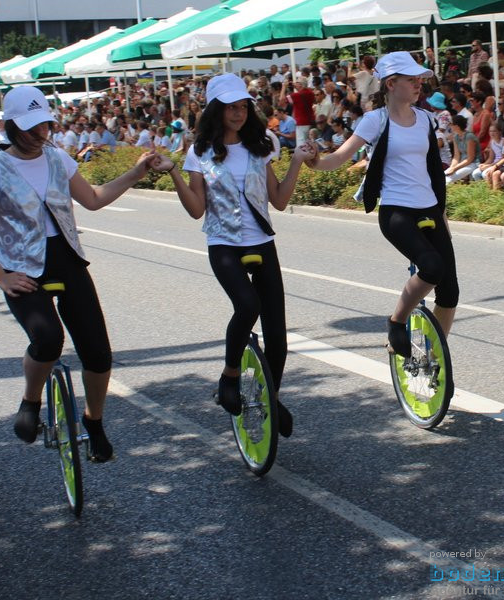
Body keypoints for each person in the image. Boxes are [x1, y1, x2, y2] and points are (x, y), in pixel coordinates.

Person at [0, 86, 155, 461]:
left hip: (66, 259)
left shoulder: (57, 159)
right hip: (21, 268)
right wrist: (1, 276)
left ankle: (94, 420)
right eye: (32, 128)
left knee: (98, 353)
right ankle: (31, 400)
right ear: (12, 127)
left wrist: (135, 173)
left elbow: (94, 199)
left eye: (45, 126)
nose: (40, 134)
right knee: (48, 339)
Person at [151, 74, 311, 433]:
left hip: (261, 242)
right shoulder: (200, 151)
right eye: (230, 107)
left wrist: (297, 162)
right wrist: (174, 172)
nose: (238, 113)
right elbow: (196, 209)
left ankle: (271, 396)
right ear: (215, 110)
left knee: (278, 336)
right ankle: (229, 375)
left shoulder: (262, 144)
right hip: (223, 243)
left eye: (242, 106)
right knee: (248, 306)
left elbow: (280, 201)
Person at [302, 51, 458, 359]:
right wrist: (314, 162)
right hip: (397, 211)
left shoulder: (426, 120)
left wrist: (443, 215)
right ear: (390, 84)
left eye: (419, 80)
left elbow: (432, 171)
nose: (418, 86)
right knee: (431, 266)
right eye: (411, 80)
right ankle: (397, 321)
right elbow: (341, 157)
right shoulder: (376, 120)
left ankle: (433, 355)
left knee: (450, 291)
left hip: (429, 208)